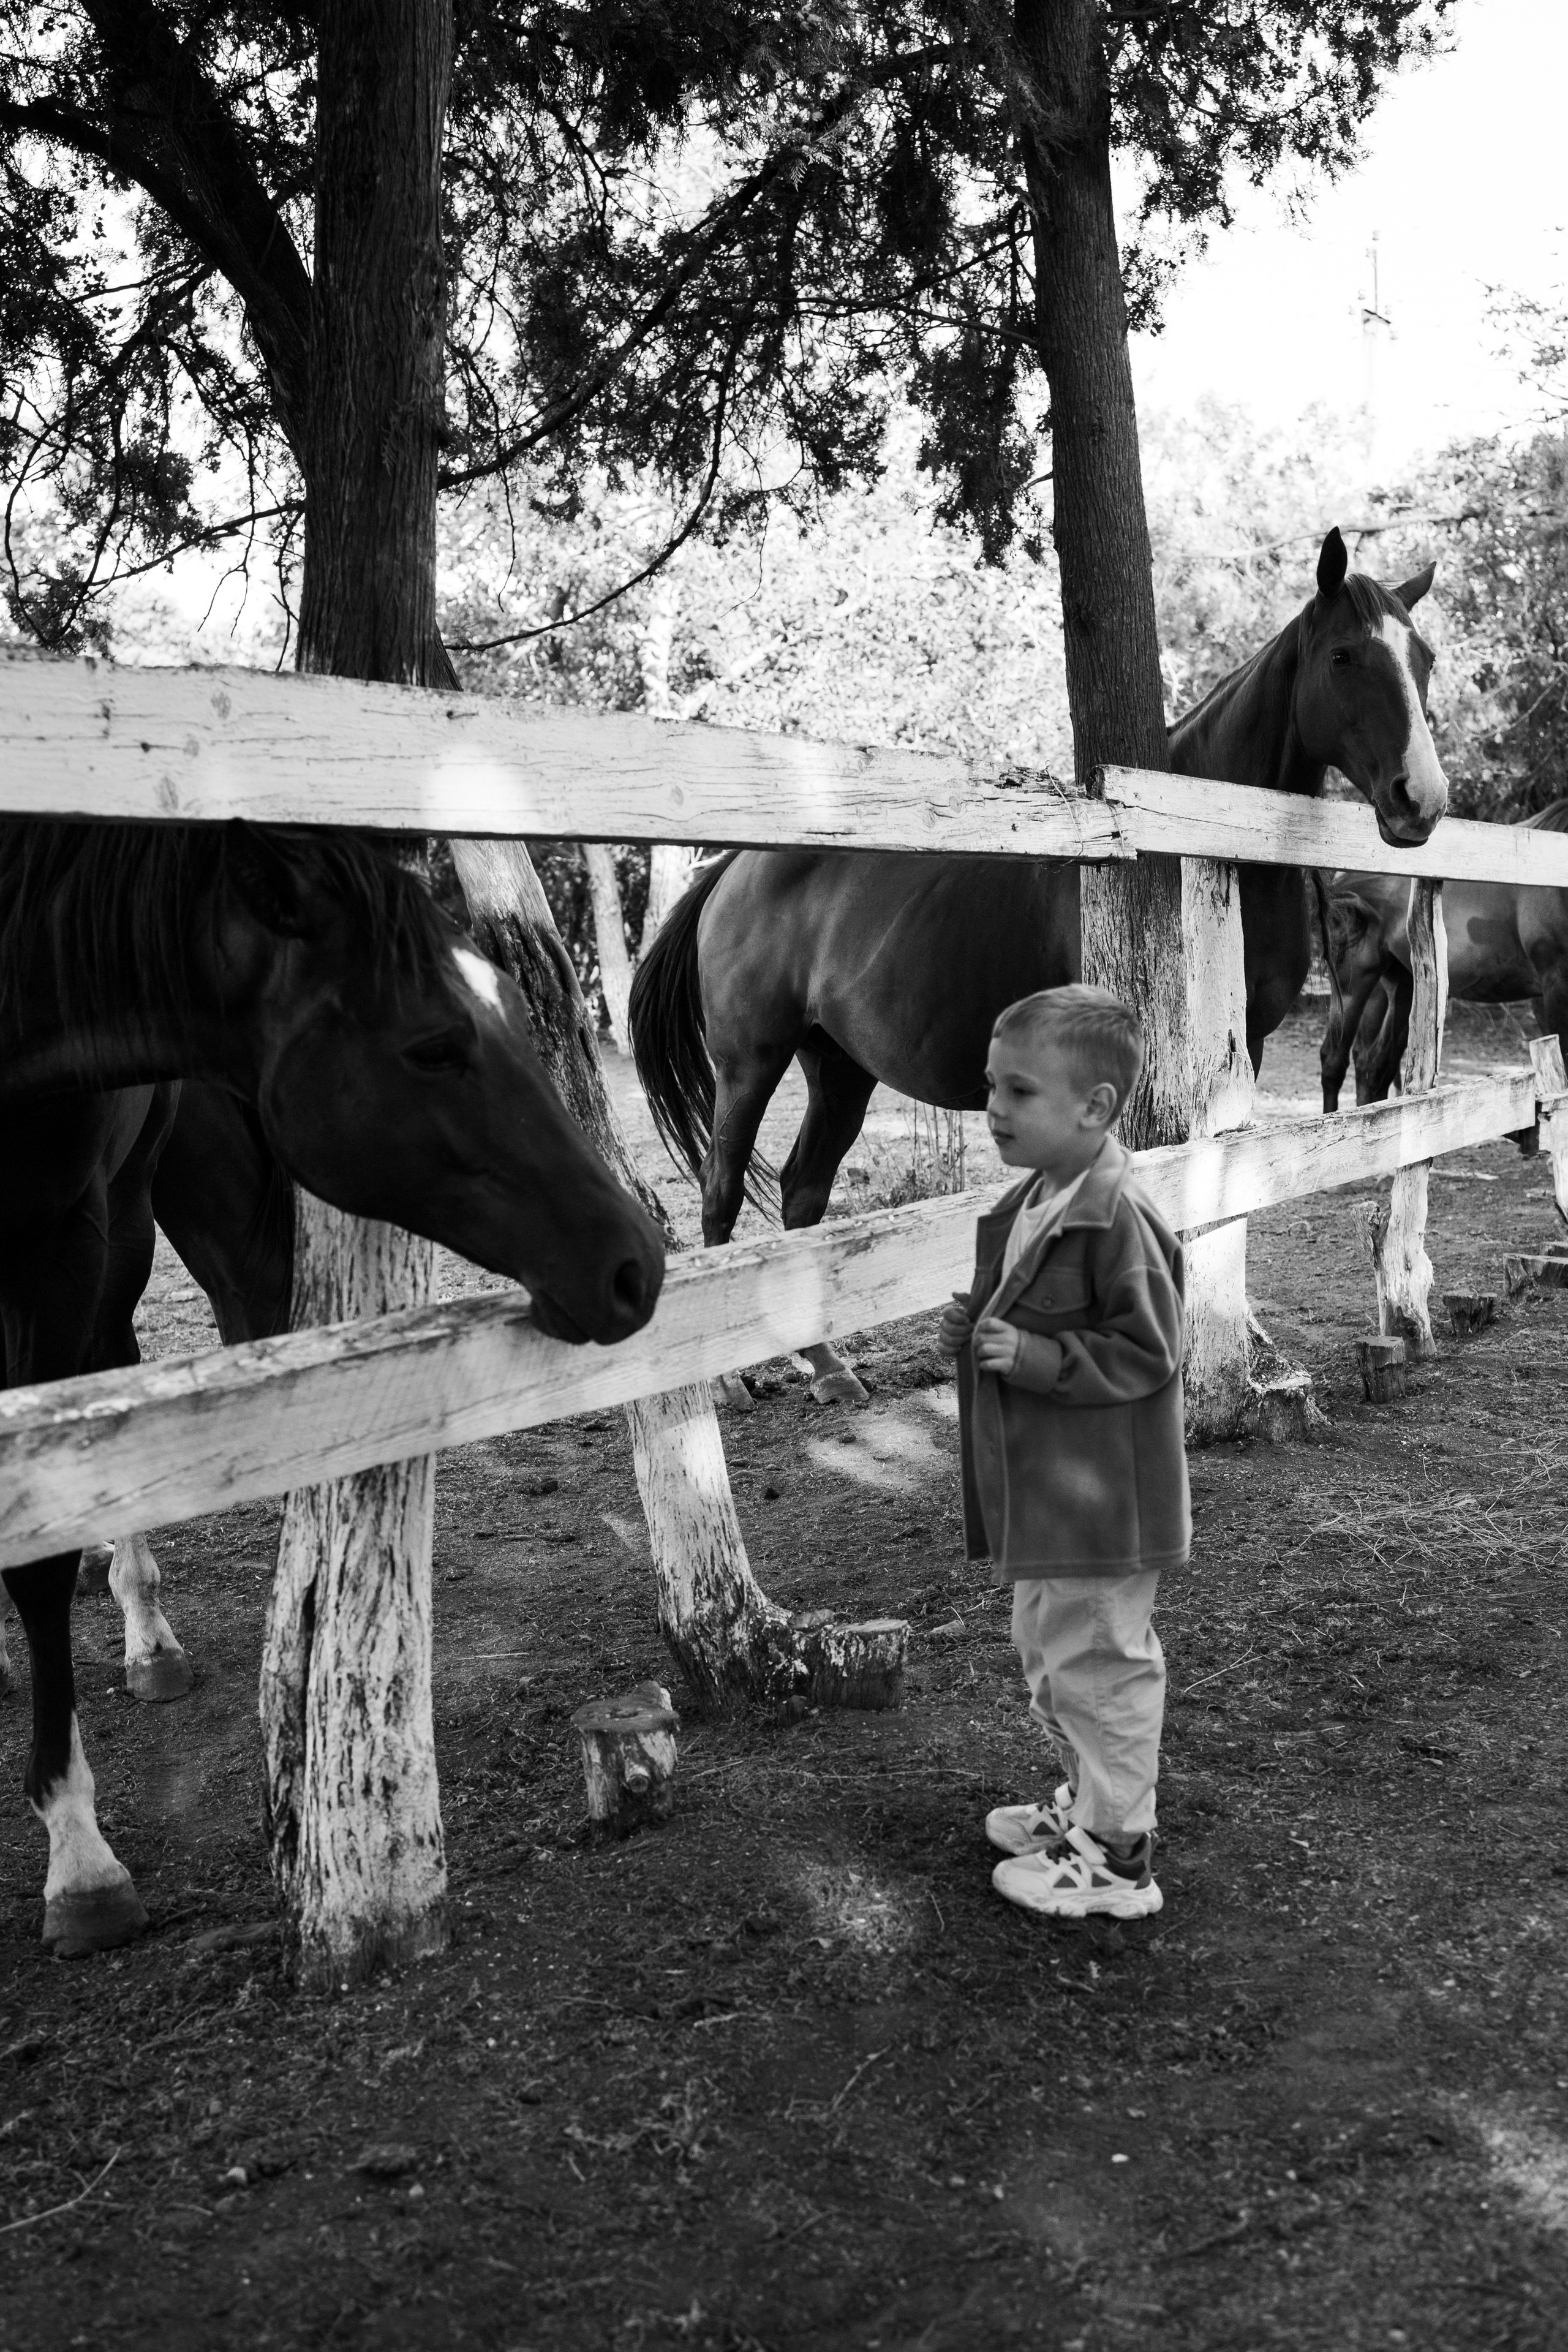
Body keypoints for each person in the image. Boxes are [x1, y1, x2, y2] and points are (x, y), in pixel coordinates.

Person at [937, 984, 1189, 1921]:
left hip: (1102, 1506)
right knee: (1051, 1656)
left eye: (1019, 1091)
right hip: (1047, 1496)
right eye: (991, 1087)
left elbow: (1152, 1351)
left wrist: (1037, 1358)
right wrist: (977, 1325)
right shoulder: (1038, 1199)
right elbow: (1016, 1306)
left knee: (1100, 1666)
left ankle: (1120, 1860)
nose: (994, 1108)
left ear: (1096, 1109)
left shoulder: (1120, 1221)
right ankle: (1089, 1808)